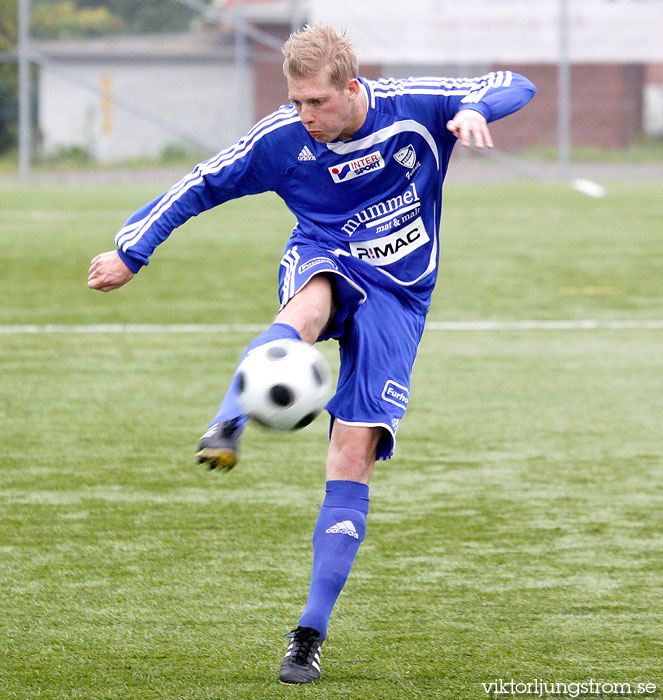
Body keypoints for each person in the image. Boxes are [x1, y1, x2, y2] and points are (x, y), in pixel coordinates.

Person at [88, 23, 536, 684]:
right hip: (323, 254)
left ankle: (308, 633)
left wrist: (472, 108)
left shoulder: (412, 106)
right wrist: (131, 251)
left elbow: (510, 83)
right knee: (307, 303)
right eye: (296, 102)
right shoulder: (283, 139)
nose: (306, 116)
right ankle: (229, 419)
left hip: (400, 296)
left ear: (352, 88)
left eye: (317, 104)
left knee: (352, 453)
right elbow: (201, 182)